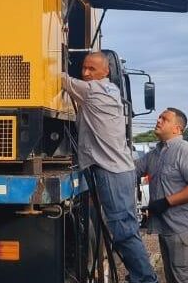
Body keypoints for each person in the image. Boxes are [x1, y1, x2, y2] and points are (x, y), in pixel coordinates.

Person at [62, 52, 158, 283]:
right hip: (118, 170)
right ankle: (142, 276)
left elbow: (61, 78)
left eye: (92, 69)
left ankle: (145, 279)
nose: (85, 73)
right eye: (84, 68)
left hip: (110, 171)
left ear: (106, 72)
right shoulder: (112, 90)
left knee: (123, 231)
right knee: (126, 227)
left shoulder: (94, 91)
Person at [135, 108, 188, 283]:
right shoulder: (155, 154)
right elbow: (132, 170)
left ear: (177, 129)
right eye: (159, 117)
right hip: (167, 230)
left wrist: (166, 202)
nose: (158, 120)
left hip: (185, 230)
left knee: (185, 279)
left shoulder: (186, 151)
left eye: (164, 119)